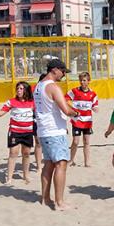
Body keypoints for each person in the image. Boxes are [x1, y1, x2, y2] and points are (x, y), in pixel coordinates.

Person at [33, 59, 79, 210]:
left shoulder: (39, 86)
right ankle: (59, 203)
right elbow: (66, 110)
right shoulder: (53, 87)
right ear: (54, 70)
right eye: (63, 71)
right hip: (54, 131)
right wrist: (77, 113)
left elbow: (57, 106)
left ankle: (45, 199)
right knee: (61, 164)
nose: (64, 74)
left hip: (43, 130)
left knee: (48, 164)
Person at [0, 81, 35, 184]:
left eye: (21, 88)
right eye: (17, 88)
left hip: (28, 132)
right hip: (15, 131)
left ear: (26, 90)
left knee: (26, 154)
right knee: (13, 153)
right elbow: (1, 113)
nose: (18, 90)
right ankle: (9, 178)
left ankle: (26, 176)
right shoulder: (11, 102)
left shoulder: (32, 102)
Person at [66, 72, 98, 167]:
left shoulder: (92, 94)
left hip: (87, 121)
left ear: (88, 81)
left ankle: (87, 162)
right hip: (77, 120)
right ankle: (71, 160)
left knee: (86, 141)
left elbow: (95, 105)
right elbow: (64, 99)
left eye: (84, 80)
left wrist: (95, 108)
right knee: (75, 141)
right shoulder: (74, 91)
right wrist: (71, 108)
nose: (82, 82)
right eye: (80, 80)